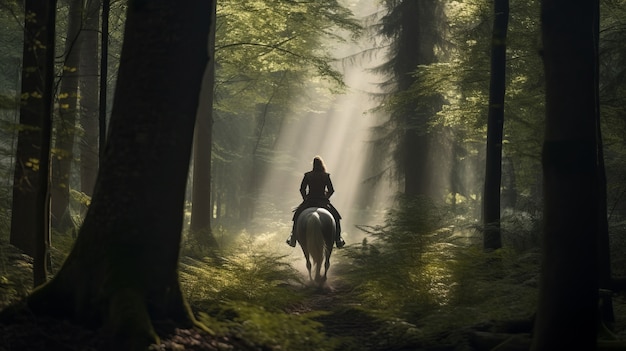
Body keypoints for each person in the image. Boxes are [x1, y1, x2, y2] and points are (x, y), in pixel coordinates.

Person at [286, 156, 345, 248]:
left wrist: (305, 199)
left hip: (310, 200)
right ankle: (338, 239)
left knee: (296, 216)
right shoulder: (326, 176)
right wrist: (326, 197)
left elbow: (302, 189)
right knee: (336, 217)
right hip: (323, 201)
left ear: (313, 165)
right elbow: (331, 190)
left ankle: (293, 238)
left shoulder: (308, 175)